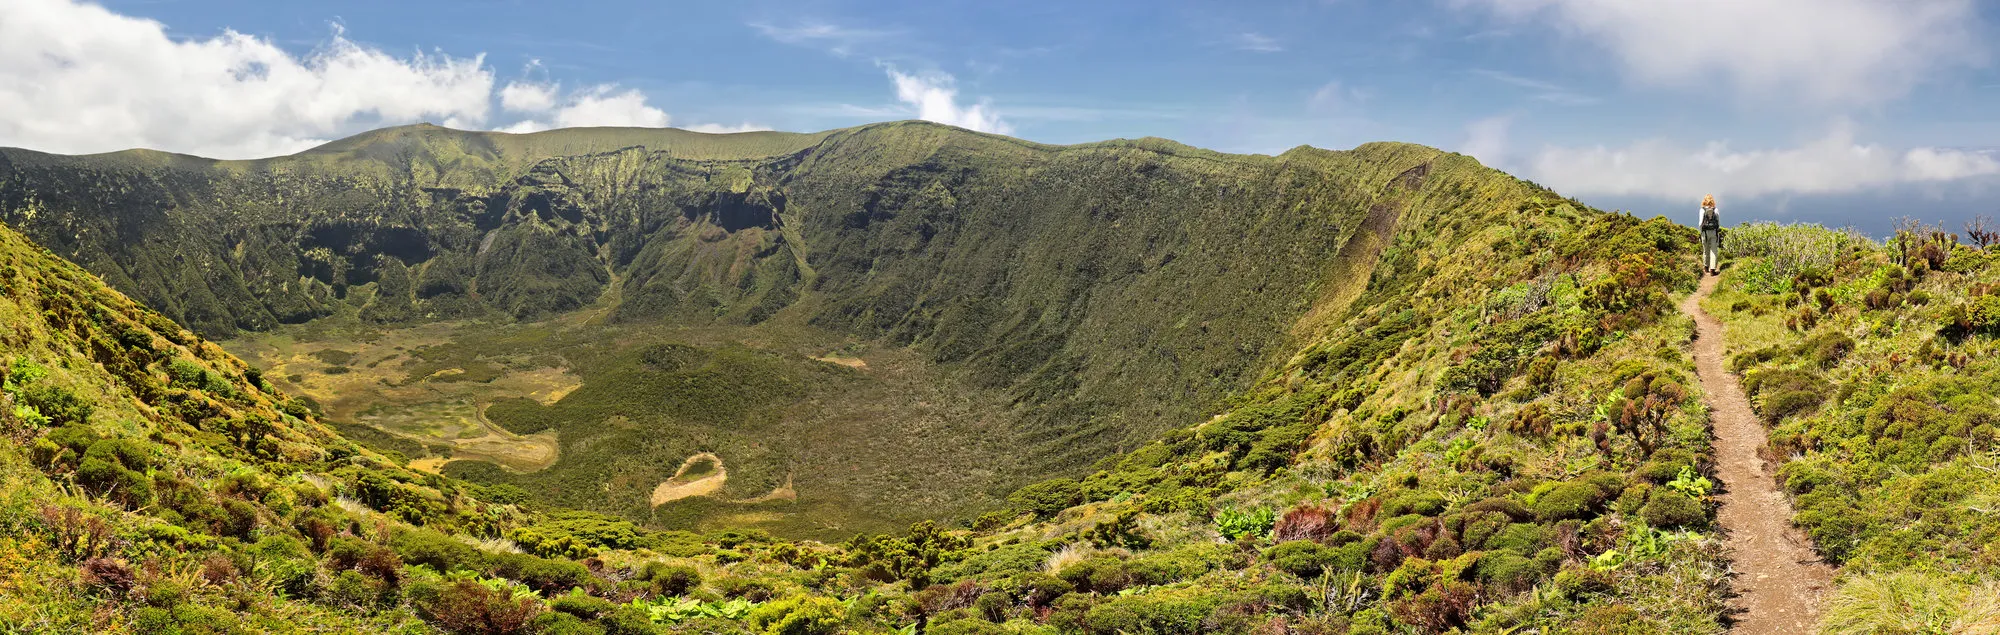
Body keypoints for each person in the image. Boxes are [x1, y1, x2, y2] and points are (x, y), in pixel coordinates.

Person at [1698, 194, 1721, 275]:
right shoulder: (1716, 209)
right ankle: (1712, 269)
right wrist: (1717, 231)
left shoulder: (1702, 210)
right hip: (1714, 232)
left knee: (1705, 250)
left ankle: (1706, 267)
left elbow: (1700, 223)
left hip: (1705, 233)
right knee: (1714, 251)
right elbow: (1718, 222)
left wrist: (1701, 232)